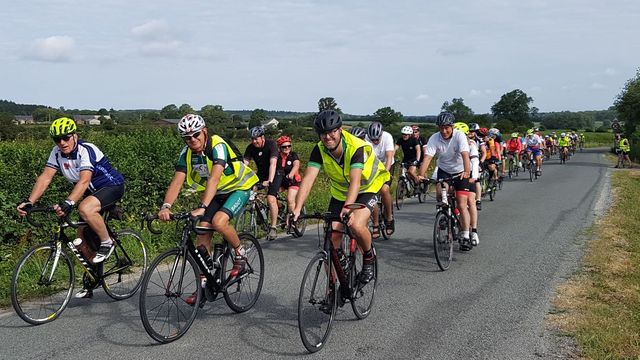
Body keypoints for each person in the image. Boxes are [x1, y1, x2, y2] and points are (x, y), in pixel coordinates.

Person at [17, 117, 126, 298]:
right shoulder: (57, 152)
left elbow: (84, 180)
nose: (62, 142)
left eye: (66, 137)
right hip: (90, 193)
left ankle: (108, 242)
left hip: (111, 186)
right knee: (80, 237)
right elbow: (45, 177)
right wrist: (30, 201)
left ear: (75, 135)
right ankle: (93, 277)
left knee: (85, 208)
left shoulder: (86, 150)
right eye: (57, 139)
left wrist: (69, 203)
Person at [158, 114, 259, 306]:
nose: (193, 140)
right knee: (202, 232)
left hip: (239, 187)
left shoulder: (217, 145)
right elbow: (177, 180)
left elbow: (214, 178)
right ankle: (204, 285)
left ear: (204, 131)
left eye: (196, 135)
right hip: (218, 193)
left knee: (219, 222)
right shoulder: (186, 153)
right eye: (187, 138)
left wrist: (202, 206)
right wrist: (166, 206)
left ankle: (240, 252)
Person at [292, 110, 390, 289]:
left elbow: (355, 181)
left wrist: (347, 208)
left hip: (367, 188)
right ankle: (334, 289)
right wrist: (297, 208)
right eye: (323, 133)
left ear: (340, 130)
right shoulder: (319, 150)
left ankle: (369, 258)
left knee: (356, 224)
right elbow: (308, 179)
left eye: (332, 132)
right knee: (331, 238)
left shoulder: (356, 147)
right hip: (340, 193)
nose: (328, 137)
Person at [418, 112, 474, 250]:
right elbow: (428, 158)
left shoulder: (459, 136)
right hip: (444, 169)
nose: (444, 131)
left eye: (447, 128)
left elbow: (465, 155)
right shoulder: (434, 138)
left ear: (452, 126)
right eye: (441, 128)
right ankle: (445, 216)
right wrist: (421, 175)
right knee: (439, 193)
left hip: (461, 171)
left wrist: (467, 171)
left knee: (461, 204)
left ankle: (466, 235)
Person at [244, 126, 280, 240]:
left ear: (262, 137)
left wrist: (269, 180)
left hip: (276, 173)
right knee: (251, 191)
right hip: (261, 174)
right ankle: (260, 211)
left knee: (270, 198)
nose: (254, 141)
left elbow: (273, 164)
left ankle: (273, 228)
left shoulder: (271, 145)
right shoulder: (250, 148)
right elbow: (244, 164)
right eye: (252, 139)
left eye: (257, 139)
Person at [365, 121, 396, 238]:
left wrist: (385, 174)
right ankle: (376, 223)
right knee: (370, 194)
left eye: (377, 139)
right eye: (373, 140)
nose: (375, 142)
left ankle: (389, 218)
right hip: (373, 167)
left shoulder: (387, 137)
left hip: (387, 165)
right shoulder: (365, 139)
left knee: (384, 190)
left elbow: (389, 157)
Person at [454, 122, 480, 245]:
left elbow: (474, 162)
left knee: (470, 200)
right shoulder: (453, 144)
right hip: (456, 174)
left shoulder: (471, 145)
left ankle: (473, 231)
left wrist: (473, 177)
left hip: (469, 176)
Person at [275, 135, 301, 225]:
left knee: (290, 199)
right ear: (279, 147)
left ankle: (292, 220)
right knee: (271, 195)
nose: (287, 148)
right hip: (281, 181)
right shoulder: (277, 157)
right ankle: (280, 207)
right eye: (284, 146)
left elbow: (296, 165)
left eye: (289, 146)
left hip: (293, 181)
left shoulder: (293, 155)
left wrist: (291, 174)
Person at [395, 125, 421, 190]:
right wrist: (391, 157)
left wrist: (417, 160)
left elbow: (418, 150)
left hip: (413, 159)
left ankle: (417, 182)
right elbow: (394, 149)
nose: (404, 136)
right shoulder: (400, 140)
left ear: (410, 135)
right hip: (405, 159)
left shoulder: (414, 140)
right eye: (403, 134)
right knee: (401, 174)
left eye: (406, 134)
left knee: (410, 172)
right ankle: (401, 190)